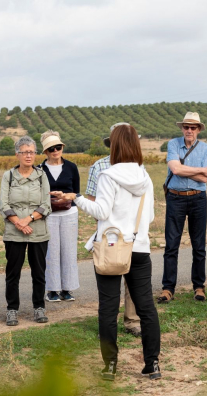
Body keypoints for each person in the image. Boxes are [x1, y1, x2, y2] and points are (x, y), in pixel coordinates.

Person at [52, 124, 161, 381]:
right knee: (146, 307)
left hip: (112, 247)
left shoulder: (107, 176)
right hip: (139, 247)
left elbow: (101, 211)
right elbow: (152, 215)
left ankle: (110, 365)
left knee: (108, 308)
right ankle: (152, 363)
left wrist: (75, 199)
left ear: (114, 146)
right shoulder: (145, 177)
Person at [85, 122, 143, 336]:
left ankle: (132, 321)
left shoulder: (139, 169)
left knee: (131, 279)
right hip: (109, 232)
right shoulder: (99, 166)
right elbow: (92, 199)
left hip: (131, 232)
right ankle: (108, 324)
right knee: (109, 277)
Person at [158, 112, 207, 304]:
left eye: (193, 127)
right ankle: (167, 288)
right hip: (176, 198)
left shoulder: (206, 148)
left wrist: (184, 169)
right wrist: (199, 170)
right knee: (171, 244)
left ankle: (199, 287)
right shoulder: (173, 144)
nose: (189, 130)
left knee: (199, 246)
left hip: (198, 199)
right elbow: (176, 170)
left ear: (198, 129)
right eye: (186, 127)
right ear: (182, 128)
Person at [0, 136, 51, 326]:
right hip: (14, 232)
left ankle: (39, 307)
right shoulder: (9, 176)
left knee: (39, 272)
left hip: (38, 231)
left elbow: (46, 205)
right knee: (13, 273)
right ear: (17, 154)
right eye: (24, 152)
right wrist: (18, 223)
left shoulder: (42, 175)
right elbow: (3, 204)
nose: (28, 156)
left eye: (31, 152)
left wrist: (28, 219)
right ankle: (12, 309)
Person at [39, 130, 80, 303]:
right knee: (51, 251)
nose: (55, 151)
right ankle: (52, 289)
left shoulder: (71, 167)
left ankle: (67, 289)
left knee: (69, 250)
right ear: (46, 152)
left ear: (62, 147)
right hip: (49, 214)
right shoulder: (40, 169)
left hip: (69, 212)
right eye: (51, 149)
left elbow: (76, 191)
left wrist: (64, 195)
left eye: (58, 147)